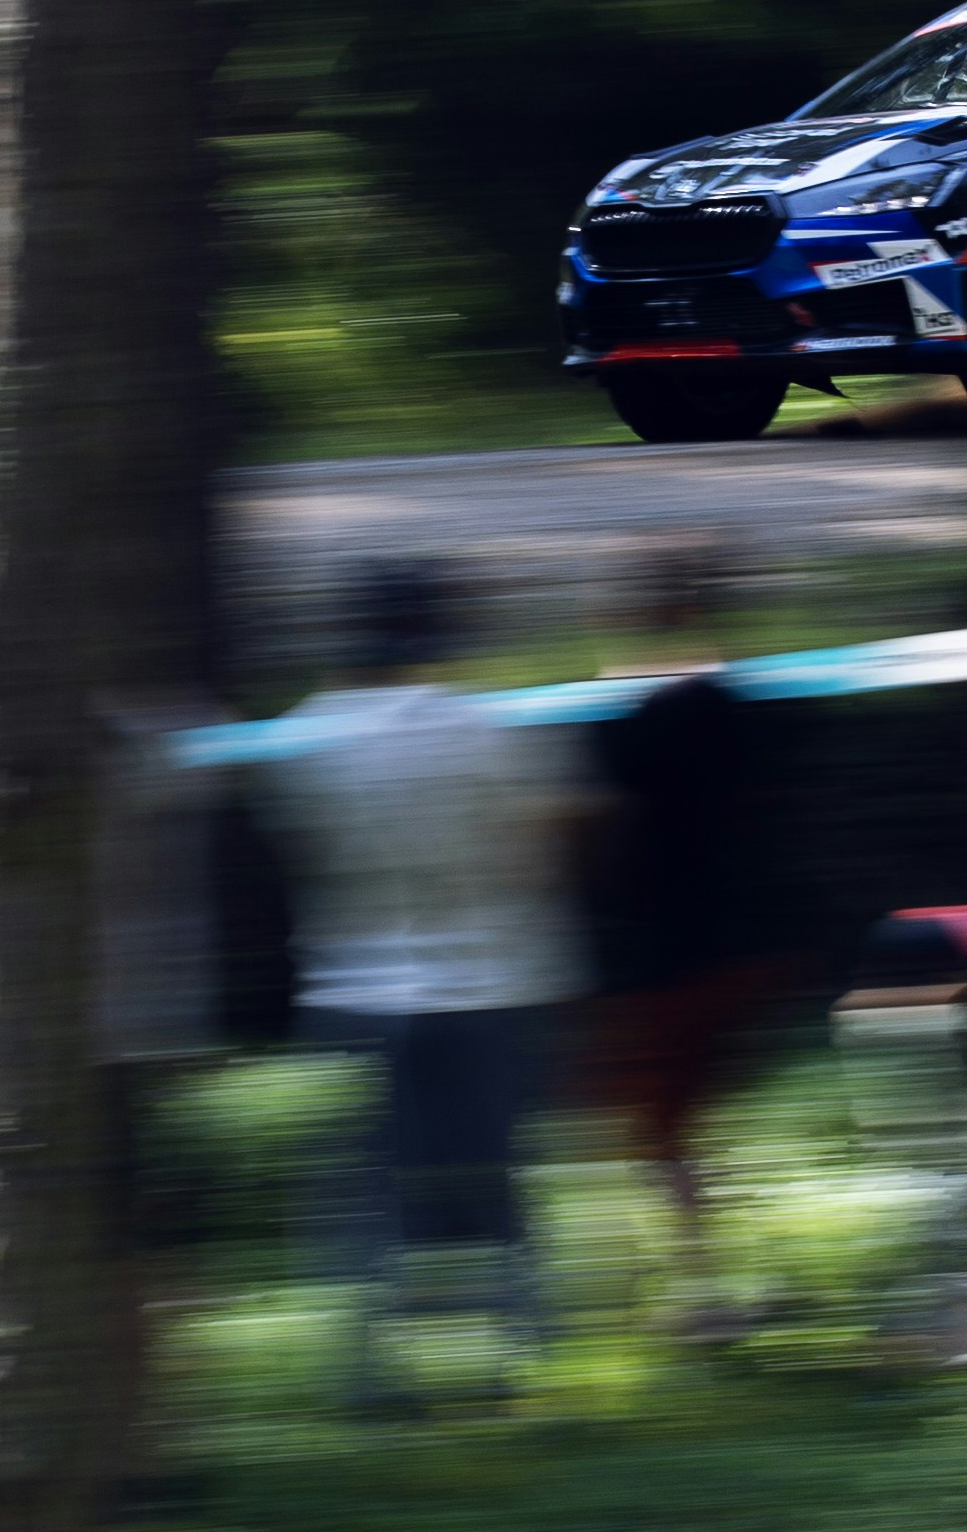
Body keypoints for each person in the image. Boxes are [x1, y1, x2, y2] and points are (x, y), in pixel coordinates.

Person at [253, 558, 590, 1402]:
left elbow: (293, 854)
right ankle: (509, 1360)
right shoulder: (497, 727)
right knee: (495, 1176)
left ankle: (367, 1373)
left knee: (364, 1187)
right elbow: (539, 856)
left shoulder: (298, 736)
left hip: (351, 988)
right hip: (494, 982)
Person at [576, 539, 807, 1338]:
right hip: (748, 942)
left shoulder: (631, 726)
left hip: (668, 955)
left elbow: (607, 833)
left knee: (653, 1132)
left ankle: (706, 1289)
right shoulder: (739, 708)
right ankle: (730, 1272)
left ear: (642, 617)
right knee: (686, 1124)